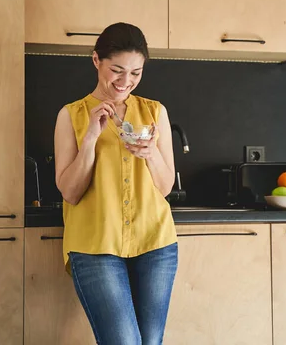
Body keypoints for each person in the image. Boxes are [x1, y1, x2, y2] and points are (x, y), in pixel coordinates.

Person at [54, 22, 179, 345]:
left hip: (155, 243)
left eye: (136, 73)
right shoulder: (72, 116)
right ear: (96, 60)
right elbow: (70, 191)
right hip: (95, 246)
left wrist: (151, 154)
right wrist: (91, 139)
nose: (126, 82)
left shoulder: (155, 112)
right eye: (117, 70)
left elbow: (164, 188)